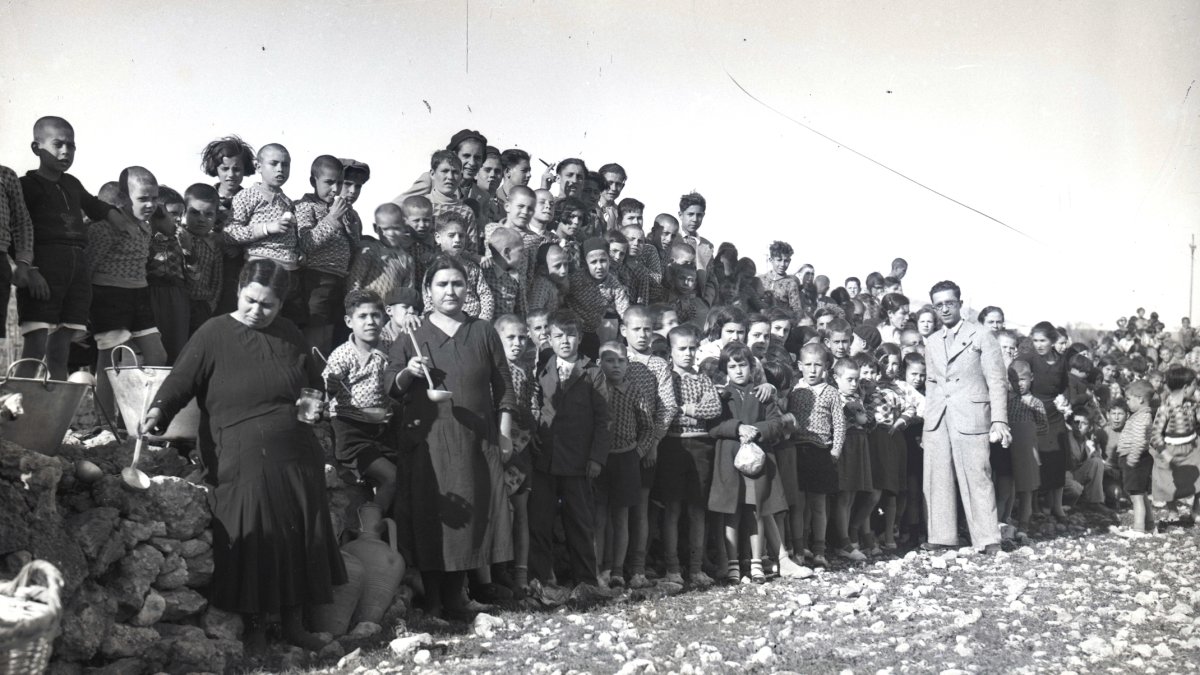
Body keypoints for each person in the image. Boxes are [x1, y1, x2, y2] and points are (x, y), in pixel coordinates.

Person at [140, 259, 346, 652]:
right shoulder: (214, 333)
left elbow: (312, 385)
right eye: (251, 300)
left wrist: (312, 406)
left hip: (295, 449)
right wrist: (158, 410)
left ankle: (293, 624)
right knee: (254, 532)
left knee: (298, 531)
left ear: (281, 305)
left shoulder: (289, 334)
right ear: (238, 291)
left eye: (268, 305)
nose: (257, 311)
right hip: (237, 449)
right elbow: (182, 379)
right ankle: (254, 627)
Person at [385, 254, 516, 620]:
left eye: (457, 283)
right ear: (428, 291)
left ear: (467, 289)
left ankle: (458, 598)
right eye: (441, 284)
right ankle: (434, 602)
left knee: (470, 513)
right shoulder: (413, 334)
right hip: (428, 441)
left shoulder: (483, 332)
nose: (450, 291)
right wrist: (409, 372)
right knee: (432, 513)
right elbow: (390, 387)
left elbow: (502, 384)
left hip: (475, 438)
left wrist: (504, 434)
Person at [19, 116, 138, 379]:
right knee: (35, 347)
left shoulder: (72, 183)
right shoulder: (25, 186)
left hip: (76, 271)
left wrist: (118, 218)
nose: (65, 151)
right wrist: (32, 270)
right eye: (58, 144)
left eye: (71, 145)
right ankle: (14, 416)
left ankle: (55, 419)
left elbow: (95, 205)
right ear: (36, 147)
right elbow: (17, 230)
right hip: (44, 269)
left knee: (61, 350)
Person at [923, 280, 1010, 554]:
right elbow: (930, 381)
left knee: (978, 474)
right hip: (939, 417)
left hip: (972, 415)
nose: (945, 309)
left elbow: (997, 380)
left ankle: (987, 539)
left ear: (960, 304)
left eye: (950, 303)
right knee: (938, 476)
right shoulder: (933, 341)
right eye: (939, 305)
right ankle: (942, 536)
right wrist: (929, 419)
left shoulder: (982, 335)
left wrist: (999, 420)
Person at [529, 310, 610, 591]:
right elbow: (533, 406)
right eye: (559, 336)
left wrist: (596, 458)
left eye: (571, 335)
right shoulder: (540, 368)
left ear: (579, 338)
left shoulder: (593, 372)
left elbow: (603, 420)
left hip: (578, 461)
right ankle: (542, 580)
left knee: (580, 522)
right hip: (545, 458)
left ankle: (586, 581)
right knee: (540, 522)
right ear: (549, 339)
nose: (565, 341)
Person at [87, 166, 168, 419]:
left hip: (139, 296)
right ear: (124, 198)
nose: (151, 204)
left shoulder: (145, 226)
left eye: (154, 198)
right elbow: (88, 264)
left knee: (157, 354)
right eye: (143, 198)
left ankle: (140, 418)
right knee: (110, 361)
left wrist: (161, 211)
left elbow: (169, 229)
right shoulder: (106, 227)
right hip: (109, 296)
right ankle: (105, 423)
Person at [709, 342, 788, 584]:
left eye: (742, 365)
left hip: (757, 461)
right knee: (731, 512)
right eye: (732, 366)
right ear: (725, 370)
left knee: (757, 511)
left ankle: (756, 562)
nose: (738, 371)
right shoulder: (721, 395)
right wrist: (736, 427)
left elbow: (777, 424)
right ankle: (733, 563)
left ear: (751, 367)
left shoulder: (761, 393)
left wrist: (756, 429)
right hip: (730, 459)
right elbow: (712, 426)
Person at [655, 323, 721, 587]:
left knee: (696, 509)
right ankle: (672, 568)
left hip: (700, 447)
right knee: (671, 508)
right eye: (682, 349)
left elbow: (713, 407)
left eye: (693, 348)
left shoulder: (703, 379)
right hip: (672, 446)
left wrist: (686, 409)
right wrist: (687, 409)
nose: (688, 354)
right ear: (671, 351)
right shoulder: (666, 379)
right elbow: (665, 409)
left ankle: (695, 568)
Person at [323, 290, 398, 511]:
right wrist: (331, 386)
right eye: (362, 316)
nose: (370, 322)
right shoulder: (342, 355)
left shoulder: (388, 349)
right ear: (349, 321)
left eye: (375, 315)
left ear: (384, 318)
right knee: (391, 477)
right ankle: (369, 529)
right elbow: (325, 392)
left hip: (381, 428)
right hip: (351, 432)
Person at [594, 340, 653, 588]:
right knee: (599, 517)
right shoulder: (595, 390)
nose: (616, 366)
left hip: (626, 459)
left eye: (621, 361)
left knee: (621, 517)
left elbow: (647, 427)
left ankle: (617, 570)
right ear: (600, 363)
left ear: (628, 364)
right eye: (610, 360)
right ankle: (600, 569)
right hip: (599, 460)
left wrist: (636, 453)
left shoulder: (634, 391)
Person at [789, 343, 846, 569]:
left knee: (819, 504)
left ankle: (820, 549)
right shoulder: (795, 390)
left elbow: (839, 425)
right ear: (800, 366)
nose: (813, 370)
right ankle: (800, 548)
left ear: (826, 367)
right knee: (800, 504)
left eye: (818, 365)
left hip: (821, 451)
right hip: (798, 450)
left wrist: (835, 450)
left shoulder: (831, 392)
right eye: (808, 365)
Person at [294, 155, 358, 355]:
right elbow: (306, 242)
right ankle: (311, 380)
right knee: (315, 332)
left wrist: (351, 226)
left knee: (333, 334)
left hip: (339, 280)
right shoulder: (306, 206)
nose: (335, 189)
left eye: (339, 183)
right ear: (314, 181)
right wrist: (332, 218)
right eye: (329, 182)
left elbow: (353, 245)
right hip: (316, 279)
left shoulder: (344, 209)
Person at [1019, 322, 1070, 521]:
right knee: (1035, 461)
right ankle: (1034, 506)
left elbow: (1065, 384)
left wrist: (1064, 398)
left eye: (1043, 341)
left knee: (1057, 460)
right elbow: (1017, 378)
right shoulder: (1028, 358)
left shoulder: (1060, 360)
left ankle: (1057, 506)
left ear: (1053, 341)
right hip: (1032, 412)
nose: (1039, 345)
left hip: (1055, 415)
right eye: (1035, 341)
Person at [200, 135, 256, 316]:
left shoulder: (252, 199)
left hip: (236, 267)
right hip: (206, 263)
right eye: (225, 168)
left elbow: (256, 232)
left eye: (237, 169)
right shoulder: (205, 197)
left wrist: (239, 249)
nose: (231, 175)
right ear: (215, 169)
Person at [1150, 366, 1200, 522]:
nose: (1196, 389)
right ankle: (1172, 510)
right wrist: (1164, 453)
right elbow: (1155, 434)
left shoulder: (1192, 405)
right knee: (1168, 481)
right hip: (1170, 449)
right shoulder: (1165, 409)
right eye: (1194, 386)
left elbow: (1195, 425)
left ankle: (1196, 509)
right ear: (1186, 388)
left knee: (1198, 477)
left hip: (1192, 447)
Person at [346, 202, 418, 301]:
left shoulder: (406, 259)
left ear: (404, 227)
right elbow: (354, 284)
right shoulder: (369, 252)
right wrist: (356, 306)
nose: (391, 233)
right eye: (385, 229)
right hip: (367, 309)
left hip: (392, 312)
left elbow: (407, 291)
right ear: (376, 228)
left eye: (396, 228)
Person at [178, 184, 224, 335]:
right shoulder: (178, 237)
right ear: (184, 212)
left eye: (208, 214)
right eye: (195, 213)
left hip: (202, 304)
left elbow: (217, 278)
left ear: (216, 216)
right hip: (179, 301)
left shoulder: (213, 245)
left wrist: (211, 304)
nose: (201, 219)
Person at [1117, 380, 1156, 534]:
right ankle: (1150, 525)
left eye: (1128, 399)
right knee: (1141, 493)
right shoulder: (1141, 415)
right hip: (1138, 458)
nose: (1127, 402)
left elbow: (1140, 440)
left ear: (1140, 399)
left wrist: (1132, 458)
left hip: (1135, 459)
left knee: (1136, 496)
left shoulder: (1142, 417)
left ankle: (1139, 529)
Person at [760, 241, 804, 314]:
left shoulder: (791, 283)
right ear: (771, 260)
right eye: (779, 260)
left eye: (786, 261)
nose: (782, 264)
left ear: (789, 261)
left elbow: (797, 310)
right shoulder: (760, 280)